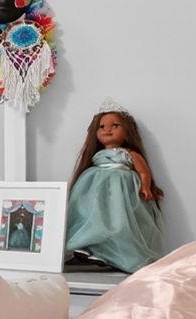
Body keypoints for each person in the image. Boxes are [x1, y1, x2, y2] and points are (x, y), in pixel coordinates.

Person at [65, 106, 166, 273]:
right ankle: (90, 247)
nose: (108, 130)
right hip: (97, 191)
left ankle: (111, 253)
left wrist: (146, 187)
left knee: (119, 221)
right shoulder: (96, 156)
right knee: (90, 215)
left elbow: (142, 171)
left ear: (127, 132)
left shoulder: (129, 154)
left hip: (121, 191)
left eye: (115, 126)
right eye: (102, 127)